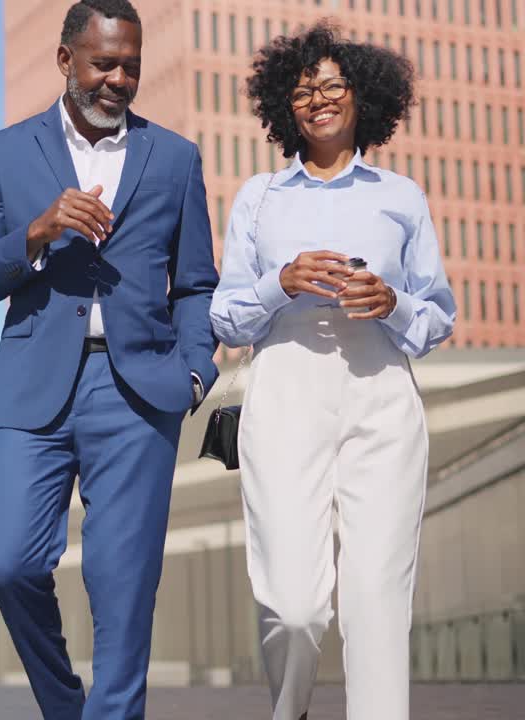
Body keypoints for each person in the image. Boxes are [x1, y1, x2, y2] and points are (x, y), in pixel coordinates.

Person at [0, 0, 218, 716]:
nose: (119, 79)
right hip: (35, 388)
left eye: (131, 65)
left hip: (139, 392)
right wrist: (36, 232)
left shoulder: (176, 158)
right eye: (104, 63)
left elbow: (195, 284)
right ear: (65, 59)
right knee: (10, 562)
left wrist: (195, 371)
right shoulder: (4, 153)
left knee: (123, 586)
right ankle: (66, 705)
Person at [210, 23, 455, 720]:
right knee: (293, 606)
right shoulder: (259, 197)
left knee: (377, 604)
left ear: (362, 96)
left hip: (382, 402)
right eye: (302, 88)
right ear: (282, 104)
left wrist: (392, 300)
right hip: (285, 402)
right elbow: (226, 320)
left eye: (331, 85)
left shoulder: (401, 197)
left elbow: (437, 318)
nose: (317, 98)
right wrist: (280, 282)